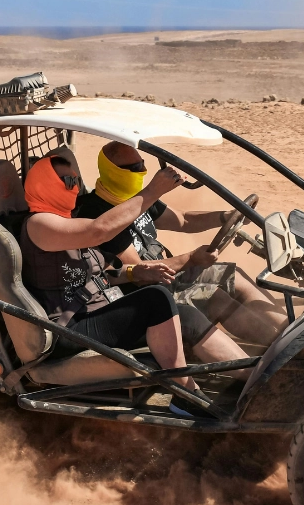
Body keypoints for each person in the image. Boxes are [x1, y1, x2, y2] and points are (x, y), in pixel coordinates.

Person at [20, 155, 250, 416]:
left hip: (95, 307)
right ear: (42, 184)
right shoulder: (39, 224)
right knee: (156, 300)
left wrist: (134, 272)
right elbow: (100, 230)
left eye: (75, 178)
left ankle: (254, 378)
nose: (74, 185)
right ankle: (186, 395)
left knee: (181, 312)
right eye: (66, 180)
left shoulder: (66, 218)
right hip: (68, 327)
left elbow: (101, 269)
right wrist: (152, 191)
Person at [75, 142, 289, 346]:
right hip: (147, 293)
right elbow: (140, 271)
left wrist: (225, 216)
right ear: (113, 170)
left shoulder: (133, 198)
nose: (143, 171)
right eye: (135, 167)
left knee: (234, 275)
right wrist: (190, 259)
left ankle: (291, 330)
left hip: (170, 275)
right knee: (216, 299)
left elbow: (184, 219)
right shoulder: (100, 212)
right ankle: (283, 349)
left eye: (142, 164)